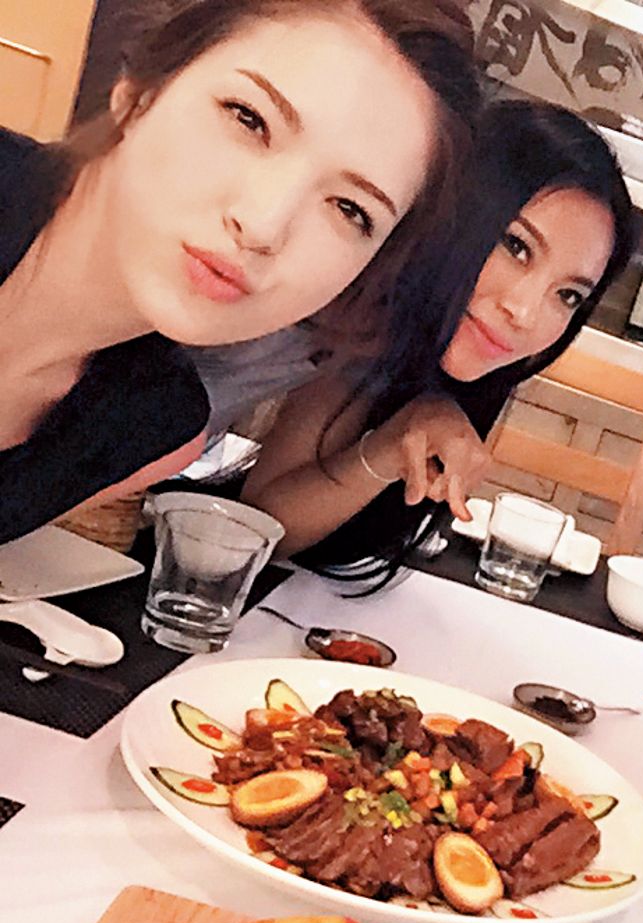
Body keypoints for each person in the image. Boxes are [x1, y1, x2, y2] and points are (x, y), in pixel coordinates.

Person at [0, 0, 480, 545]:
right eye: (249, 119)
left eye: (351, 210)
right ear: (140, 94)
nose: (263, 225)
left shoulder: (152, 420)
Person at [238, 98, 635, 589]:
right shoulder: (337, 301)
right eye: (516, 246)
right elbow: (253, 532)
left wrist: (393, 443)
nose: (526, 312)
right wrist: (389, 443)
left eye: (568, 294)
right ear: (460, 213)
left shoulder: (424, 354)